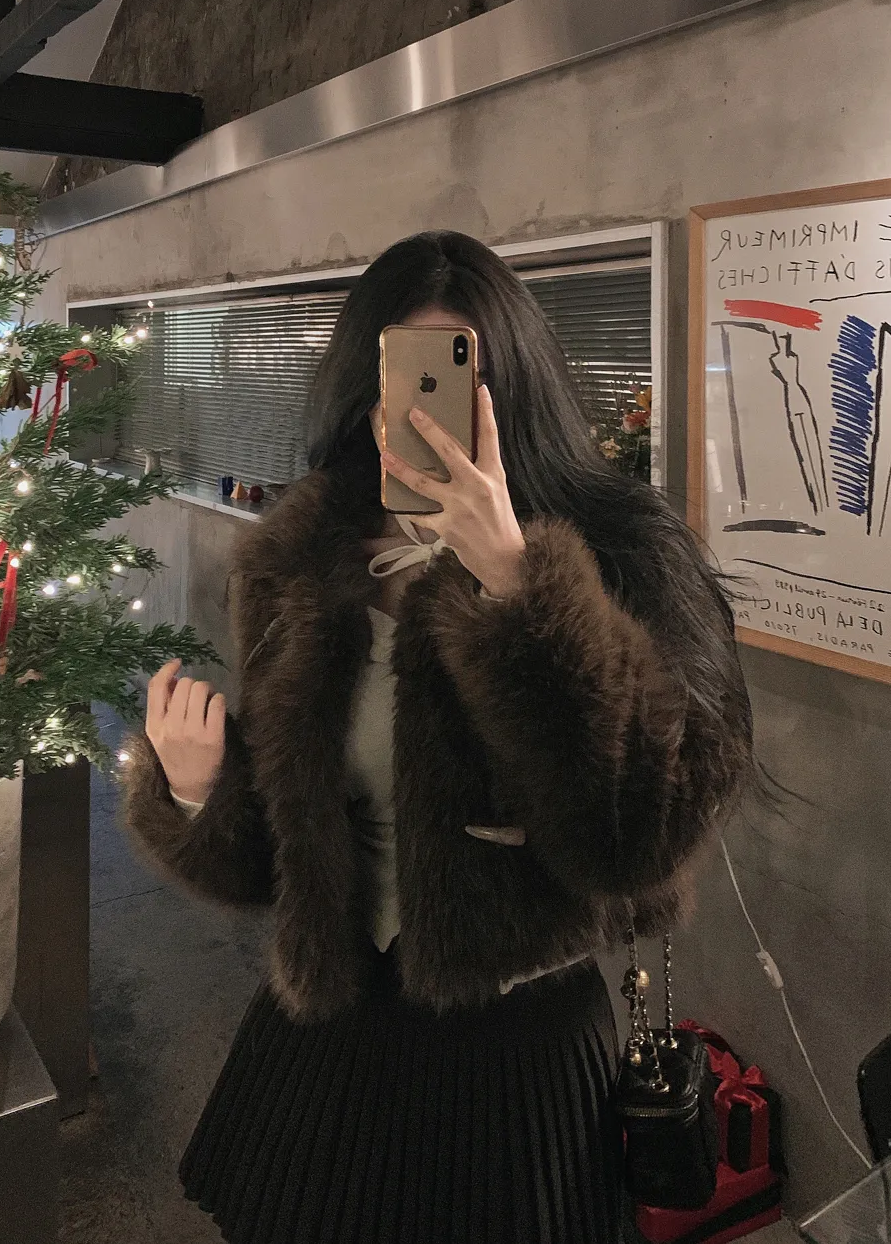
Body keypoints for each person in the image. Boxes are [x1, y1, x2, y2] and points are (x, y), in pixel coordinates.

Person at [122, 230, 754, 1244]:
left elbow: (643, 835)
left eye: (456, 378)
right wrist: (198, 793)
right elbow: (286, 865)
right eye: (398, 377)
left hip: (518, 1056)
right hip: (328, 1041)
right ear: (358, 388)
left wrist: (520, 587)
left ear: (514, 390)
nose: (422, 411)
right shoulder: (304, 562)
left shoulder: (622, 550)